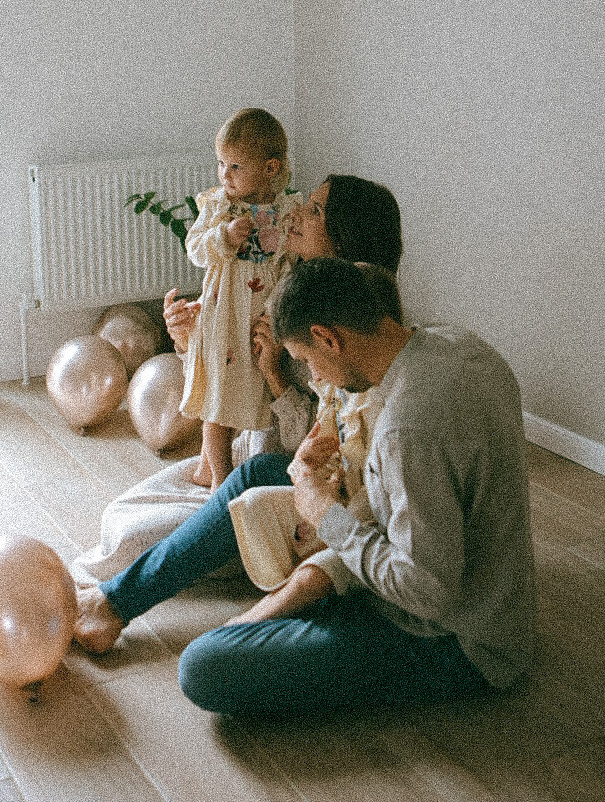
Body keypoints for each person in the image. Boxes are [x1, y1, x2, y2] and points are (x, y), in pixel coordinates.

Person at [75, 259, 536, 722]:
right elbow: (400, 500)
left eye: (307, 359)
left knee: (204, 664)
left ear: (329, 337)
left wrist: (323, 517)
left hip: (457, 640)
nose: (313, 372)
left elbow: (426, 590)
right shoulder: (462, 346)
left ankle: (293, 612)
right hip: (468, 587)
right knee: (259, 471)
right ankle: (112, 601)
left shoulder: (404, 430)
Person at [72, 176, 403, 586]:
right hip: (246, 445)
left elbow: (326, 443)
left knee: (129, 538)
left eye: (314, 211)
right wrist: (190, 337)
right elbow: (228, 365)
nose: (296, 211)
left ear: (342, 240)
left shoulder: (344, 333)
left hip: (289, 471)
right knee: (121, 514)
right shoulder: (281, 274)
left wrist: (275, 376)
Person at [180, 108, 300, 489]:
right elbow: (195, 249)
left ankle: (212, 467)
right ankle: (219, 477)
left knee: (246, 394)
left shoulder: (286, 211)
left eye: (235, 166)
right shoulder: (219, 207)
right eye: (220, 164)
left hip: (259, 316)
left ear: (269, 168)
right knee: (217, 401)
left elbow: (289, 261)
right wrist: (224, 238)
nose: (224, 175)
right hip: (222, 316)